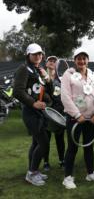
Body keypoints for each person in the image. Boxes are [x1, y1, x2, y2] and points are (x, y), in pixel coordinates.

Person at [61, 48, 94, 189]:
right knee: (72, 148)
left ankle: (90, 173)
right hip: (75, 118)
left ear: (88, 60)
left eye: (84, 58)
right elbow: (65, 96)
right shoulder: (69, 74)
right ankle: (68, 177)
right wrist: (77, 115)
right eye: (79, 58)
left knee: (89, 147)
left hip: (91, 118)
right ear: (75, 60)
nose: (81, 61)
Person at [13, 43, 53, 186]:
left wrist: (47, 78)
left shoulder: (37, 70)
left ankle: (33, 171)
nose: (38, 56)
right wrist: (33, 103)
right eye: (35, 54)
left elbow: (48, 91)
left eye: (40, 54)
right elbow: (17, 91)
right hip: (30, 112)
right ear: (28, 55)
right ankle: (32, 173)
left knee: (36, 142)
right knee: (44, 143)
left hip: (39, 112)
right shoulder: (23, 69)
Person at [42, 56, 65, 171]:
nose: (52, 62)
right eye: (50, 60)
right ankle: (46, 162)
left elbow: (62, 97)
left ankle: (62, 160)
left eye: (54, 61)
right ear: (46, 63)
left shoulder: (61, 80)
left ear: (57, 65)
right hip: (44, 113)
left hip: (58, 112)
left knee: (59, 138)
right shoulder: (40, 77)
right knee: (45, 139)